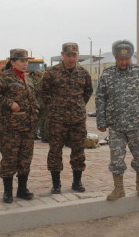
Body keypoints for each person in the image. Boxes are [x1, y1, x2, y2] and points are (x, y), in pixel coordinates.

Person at [96, 40, 139, 201]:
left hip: (138, 125)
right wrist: (101, 121)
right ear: (115, 57)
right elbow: (101, 98)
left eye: (127, 58)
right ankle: (119, 189)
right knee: (116, 159)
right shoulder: (107, 74)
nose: (124, 62)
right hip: (116, 126)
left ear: (132, 57)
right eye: (120, 59)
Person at [38, 42, 93, 194]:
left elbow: (88, 92)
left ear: (78, 55)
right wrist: (54, 106)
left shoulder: (83, 73)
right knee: (55, 151)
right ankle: (56, 184)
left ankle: (77, 181)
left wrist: (79, 105)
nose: (70, 58)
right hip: (57, 120)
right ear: (62, 55)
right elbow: (42, 91)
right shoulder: (52, 72)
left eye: (73, 55)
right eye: (68, 55)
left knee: (78, 151)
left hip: (77, 120)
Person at [0, 49, 39, 203]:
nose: (25, 64)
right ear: (13, 62)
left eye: (26, 61)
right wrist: (10, 103)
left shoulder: (28, 79)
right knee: (9, 159)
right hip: (10, 128)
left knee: (25, 159)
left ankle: (22, 189)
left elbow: (32, 97)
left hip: (28, 127)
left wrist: (36, 108)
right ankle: (8, 191)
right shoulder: (4, 77)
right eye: (22, 61)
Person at [31, 70, 49, 142]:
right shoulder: (46, 80)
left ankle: (41, 135)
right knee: (44, 119)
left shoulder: (40, 81)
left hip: (40, 102)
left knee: (40, 120)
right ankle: (44, 136)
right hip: (43, 102)